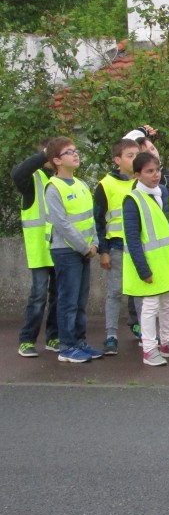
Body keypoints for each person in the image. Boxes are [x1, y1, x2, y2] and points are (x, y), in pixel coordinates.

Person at [123, 151, 169, 366]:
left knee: (168, 302)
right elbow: (132, 238)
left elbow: (168, 225)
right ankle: (149, 349)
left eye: (157, 170)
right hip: (149, 263)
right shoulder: (132, 200)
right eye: (149, 171)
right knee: (150, 306)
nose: (155, 175)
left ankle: (167, 342)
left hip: (166, 261)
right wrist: (143, 269)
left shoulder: (163, 192)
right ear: (137, 175)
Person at [44, 137, 103, 363]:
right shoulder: (53, 187)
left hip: (85, 250)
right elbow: (61, 224)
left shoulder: (82, 184)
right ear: (57, 160)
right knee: (68, 301)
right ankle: (67, 347)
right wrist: (83, 247)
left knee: (80, 301)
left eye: (75, 150)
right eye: (69, 152)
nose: (75, 154)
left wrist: (95, 243)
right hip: (66, 251)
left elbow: (91, 218)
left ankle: (80, 342)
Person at [93, 138, 141, 355]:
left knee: (140, 291)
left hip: (139, 246)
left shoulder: (142, 182)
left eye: (137, 155)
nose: (135, 159)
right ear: (117, 160)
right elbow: (98, 220)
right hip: (117, 246)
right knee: (114, 292)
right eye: (130, 156)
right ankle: (111, 336)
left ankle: (145, 332)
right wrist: (103, 250)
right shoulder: (106, 185)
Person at [11, 141, 59, 357]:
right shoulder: (33, 179)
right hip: (39, 249)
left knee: (58, 295)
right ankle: (27, 340)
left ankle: (54, 337)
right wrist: (44, 155)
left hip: (60, 247)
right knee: (38, 296)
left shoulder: (62, 179)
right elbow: (17, 173)